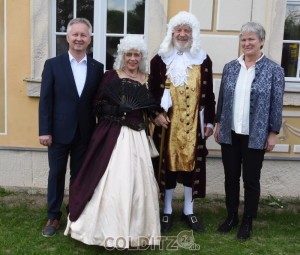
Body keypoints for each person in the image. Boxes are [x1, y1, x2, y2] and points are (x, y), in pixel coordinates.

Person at [64, 35, 161, 248]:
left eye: (137, 55)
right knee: (109, 180)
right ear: (123, 56)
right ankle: (103, 230)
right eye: (129, 54)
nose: (133, 59)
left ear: (141, 57)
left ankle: (136, 232)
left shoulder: (146, 79)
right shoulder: (111, 77)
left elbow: (150, 106)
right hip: (112, 135)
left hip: (137, 136)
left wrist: (158, 115)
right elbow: (97, 104)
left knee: (137, 183)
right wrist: (116, 109)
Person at [214, 22, 285, 240]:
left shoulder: (274, 70)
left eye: (251, 39)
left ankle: (247, 220)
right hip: (230, 132)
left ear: (261, 41)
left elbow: (276, 103)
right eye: (243, 39)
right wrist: (218, 123)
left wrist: (273, 132)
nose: (247, 43)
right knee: (230, 177)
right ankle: (232, 216)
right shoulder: (230, 67)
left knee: (251, 179)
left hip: (256, 134)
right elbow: (223, 99)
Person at [148, 11, 216, 233]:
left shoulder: (204, 60)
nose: (183, 34)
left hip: (194, 124)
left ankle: (189, 210)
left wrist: (210, 122)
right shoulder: (159, 60)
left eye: (187, 30)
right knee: (167, 165)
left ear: (193, 33)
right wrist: (156, 114)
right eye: (179, 30)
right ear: (172, 32)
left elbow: (210, 95)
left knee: (190, 166)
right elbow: (150, 93)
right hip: (168, 125)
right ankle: (166, 210)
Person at [39, 18, 104, 237]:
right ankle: (53, 216)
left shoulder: (97, 68)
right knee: (56, 174)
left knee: (79, 175)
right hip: (57, 133)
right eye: (75, 34)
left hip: (85, 133)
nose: (79, 38)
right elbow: (45, 100)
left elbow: (99, 101)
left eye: (83, 35)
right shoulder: (53, 65)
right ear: (67, 38)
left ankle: (74, 213)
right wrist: (44, 130)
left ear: (89, 39)